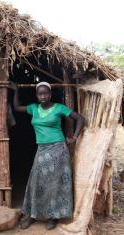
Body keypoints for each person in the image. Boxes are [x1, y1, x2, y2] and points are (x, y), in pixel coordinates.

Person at [11, 81, 84, 230]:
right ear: (37, 95)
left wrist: (74, 137)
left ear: (50, 94)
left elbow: (80, 118)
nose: (43, 96)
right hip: (42, 150)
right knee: (36, 182)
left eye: (45, 93)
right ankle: (32, 215)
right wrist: (16, 90)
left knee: (55, 184)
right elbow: (17, 108)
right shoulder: (33, 108)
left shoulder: (59, 108)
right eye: (40, 94)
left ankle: (53, 217)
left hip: (58, 149)